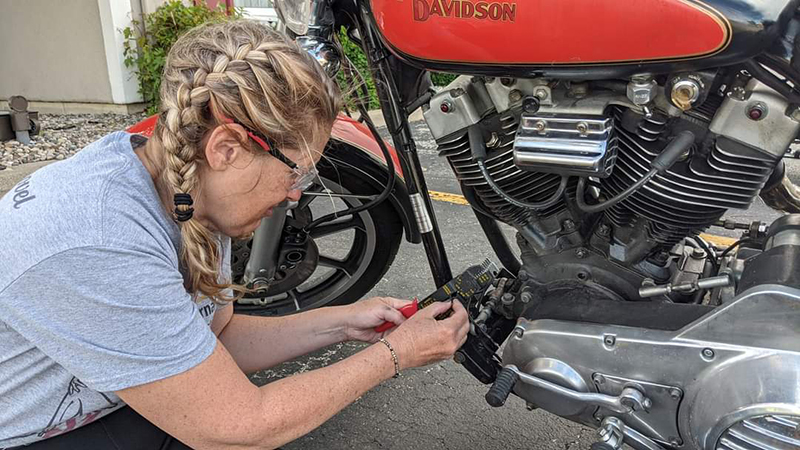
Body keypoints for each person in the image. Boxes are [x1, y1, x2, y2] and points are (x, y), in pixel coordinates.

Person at [0, 20, 469, 449]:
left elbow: (216, 335)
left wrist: (346, 322)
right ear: (227, 148)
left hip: (109, 403)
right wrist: (394, 355)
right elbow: (237, 427)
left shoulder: (190, 187)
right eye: (298, 175)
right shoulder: (100, 240)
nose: (293, 197)